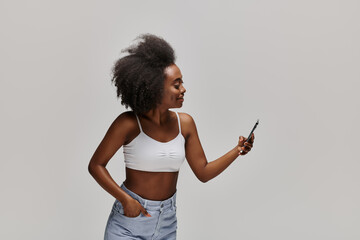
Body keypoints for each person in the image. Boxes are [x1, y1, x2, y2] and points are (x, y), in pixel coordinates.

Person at [88, 34, 255, 240]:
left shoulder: (185, 123)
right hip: (128, 224)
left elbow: (203, 172)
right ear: (155, 88)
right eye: (176, 85)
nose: (183, 89)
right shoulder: (128, 123)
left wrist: (238, 150)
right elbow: (96, 165)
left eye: (182, 83)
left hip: (166, 223)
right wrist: (125, 200)